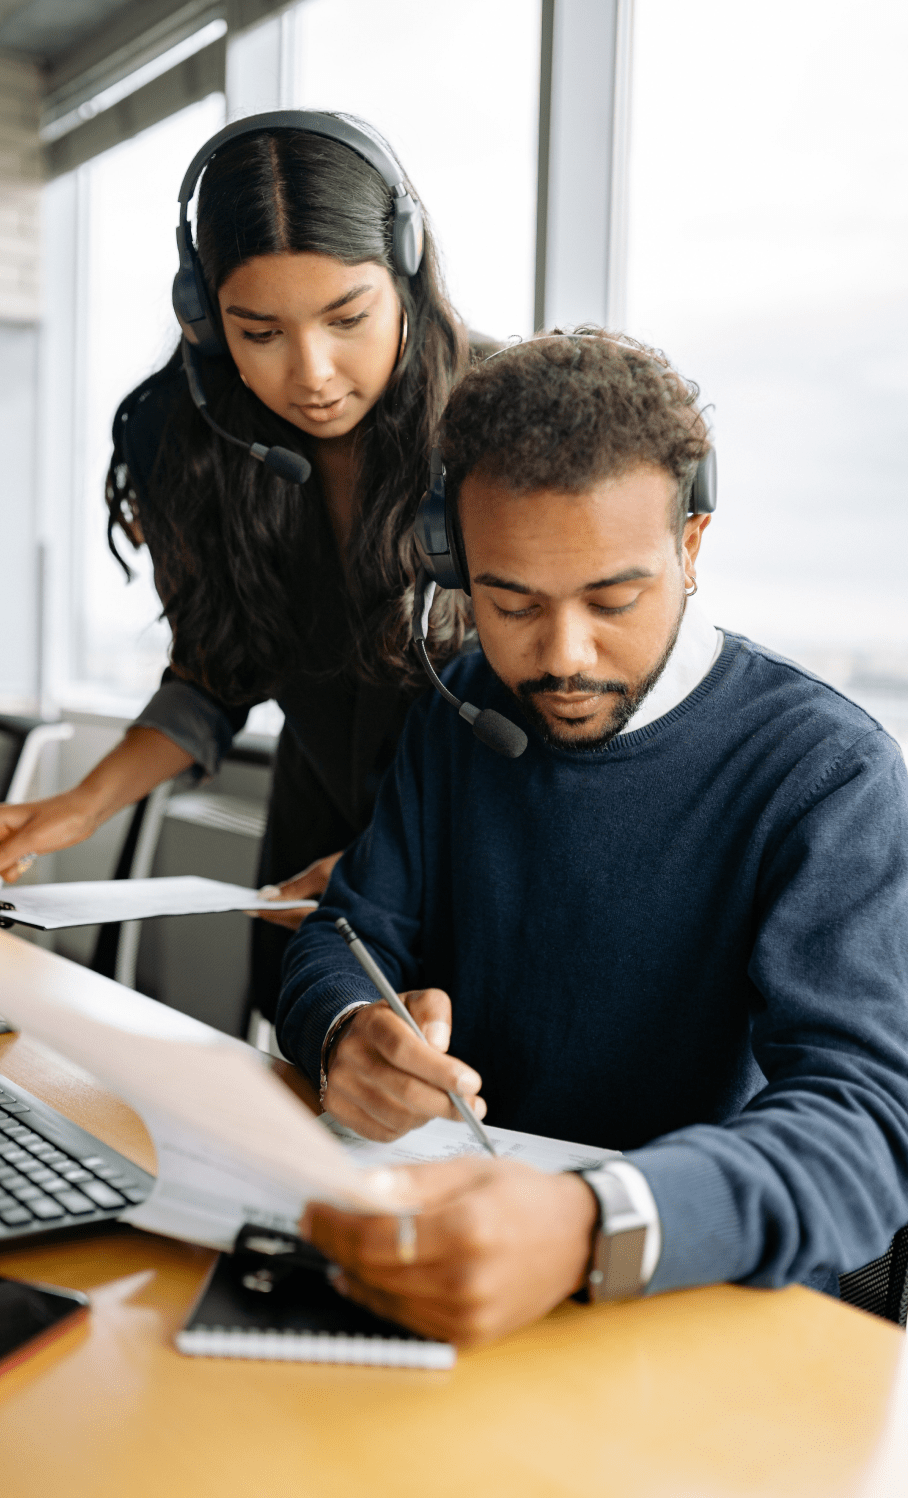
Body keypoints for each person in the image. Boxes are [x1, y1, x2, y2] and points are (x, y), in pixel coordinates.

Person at [277, 330, 908, 1347]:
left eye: (612, 599)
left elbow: (864, 1130)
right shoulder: (459, 711)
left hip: (692, 1314)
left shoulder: (823, 773)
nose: (561, 657)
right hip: (446, 1267)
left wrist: (591, 1221)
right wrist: (345, 1029)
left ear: (689, 549)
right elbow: (342, 934)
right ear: (455, 562)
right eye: (509, 602)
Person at [0, 112, 473, 1020]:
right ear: (203, 314)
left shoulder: (499, 426)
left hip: (482, 861)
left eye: (348, 316)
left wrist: (407, 862)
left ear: (408, 272)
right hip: (309, 865)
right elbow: (214, 672)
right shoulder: (191, 443)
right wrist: (78, 805)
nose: (311, 372)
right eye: (257, 331)